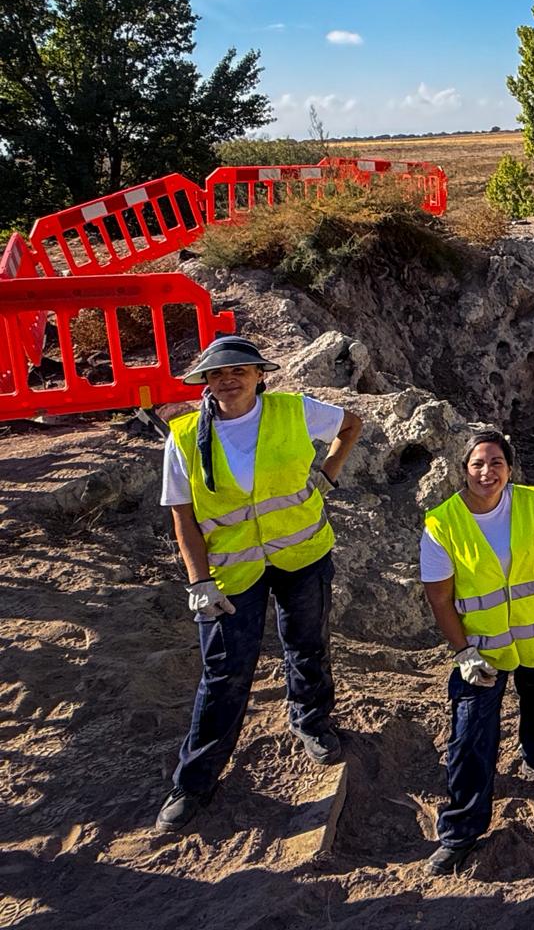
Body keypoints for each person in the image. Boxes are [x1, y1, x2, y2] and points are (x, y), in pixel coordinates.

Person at [156, 335, 364, 832]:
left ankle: (311, 721)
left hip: (302, 553)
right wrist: (198, 581)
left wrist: (327, 475)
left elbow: (351, 425)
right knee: (225, 672)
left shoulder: (294, 411)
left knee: (308, 643)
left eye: (239, 371)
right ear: (205, 382)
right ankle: (195, 781)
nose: (228, 379)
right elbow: (183, 518)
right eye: (217, 374)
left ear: (259, 375)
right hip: (232, 572)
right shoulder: (184, 436)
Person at [419, 430, 534, 875]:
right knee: (471, 735)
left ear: (509, 468)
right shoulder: (442, 524)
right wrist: (462, 652)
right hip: (482, 650)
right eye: (477, 464)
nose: (486, 472)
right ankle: (460, 832)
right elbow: (439, 597)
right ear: (464, 469)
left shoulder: (533, 504)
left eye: (496, 462)